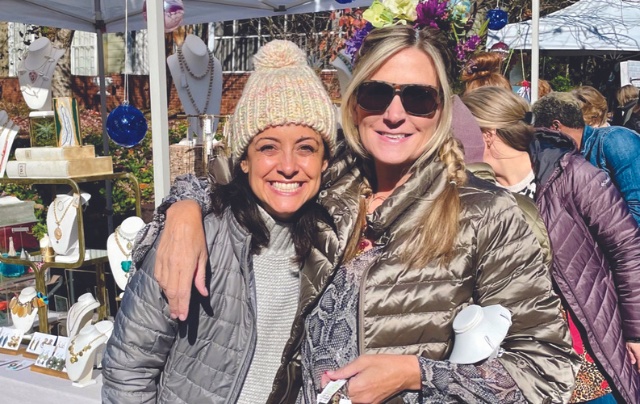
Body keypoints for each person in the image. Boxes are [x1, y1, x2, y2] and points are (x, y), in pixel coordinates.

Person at [152, 26, 579, 403]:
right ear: (354, 104)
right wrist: (184, 211)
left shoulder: (485, 213)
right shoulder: (326, 180)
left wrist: (416, 374)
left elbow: (548, 369)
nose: (394, 115)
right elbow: (234, 177)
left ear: (442, 110)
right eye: (377, 94)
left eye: (418, 98)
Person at [101, 39, 338, 403]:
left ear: (325, 161)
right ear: (244, 160)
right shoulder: (195, 236)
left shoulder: (331, 243)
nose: (288, 165)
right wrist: (183, 209)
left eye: (306, 147)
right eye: (268, 147)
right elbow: (128, 367)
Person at [463, 86, 640, 403]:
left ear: (487, 134)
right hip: (513, 359)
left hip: (586, 348)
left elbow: (628, 252)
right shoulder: (473, 190)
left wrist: (636, 333)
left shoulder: (573, 175)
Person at [532, 92, 640, 225]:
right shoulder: (568, 157)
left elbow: (637, 206)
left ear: (555, 126)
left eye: (542, 133)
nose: (542, 141)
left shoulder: (613, 140)